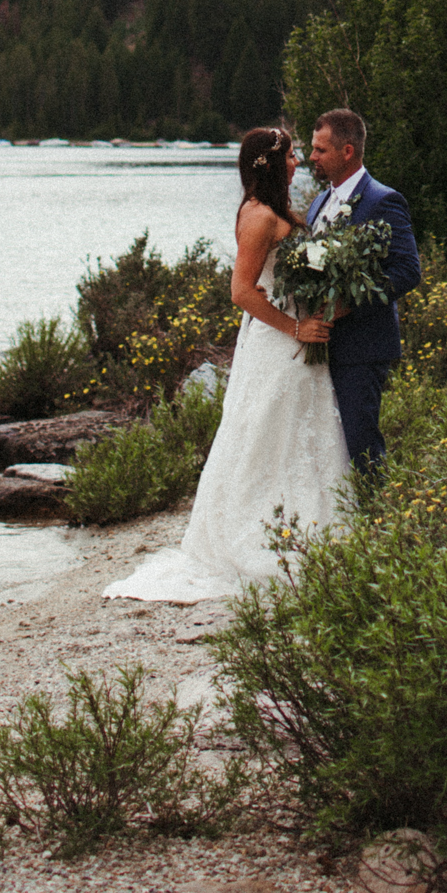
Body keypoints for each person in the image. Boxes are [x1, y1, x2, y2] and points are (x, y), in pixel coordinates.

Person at [105, 124, 350, 605]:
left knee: (294, 433)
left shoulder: (274, 211)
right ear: (271, 163)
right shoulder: (259, 216)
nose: (298, 162)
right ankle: (261, 538)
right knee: (264, 435)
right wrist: (295, 328)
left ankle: (314, 527)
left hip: (298, 340)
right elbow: (240, 291)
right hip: (280, 345)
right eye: (292, 156)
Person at [308, 107, 421, 474]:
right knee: (326, 445)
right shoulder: (319, 204)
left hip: (362, 345)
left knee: (361, 443)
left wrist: (348, 305)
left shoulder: (383, 201)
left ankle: (377, 517)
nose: (312, 157)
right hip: (320, 345)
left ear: (347, 152)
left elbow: (407, 271)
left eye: (320, 150)